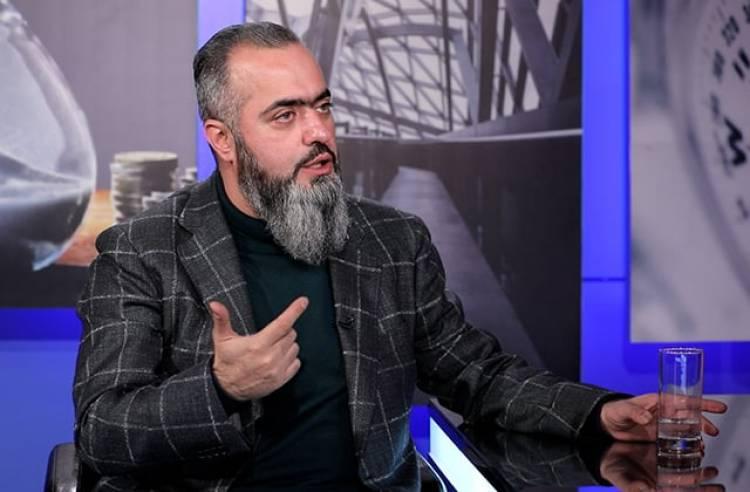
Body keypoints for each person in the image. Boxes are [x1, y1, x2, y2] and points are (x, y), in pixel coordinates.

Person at [73, 22, 726, 491]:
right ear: (222, 139)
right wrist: (220, 387)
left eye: (322, 107)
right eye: (285, 116)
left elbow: (478, 375)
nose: (319, 133)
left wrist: (599, 411)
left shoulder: (391, 240)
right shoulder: (141, 250)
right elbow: (103, 432)